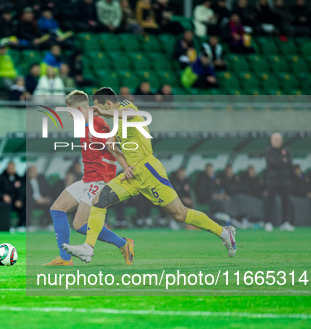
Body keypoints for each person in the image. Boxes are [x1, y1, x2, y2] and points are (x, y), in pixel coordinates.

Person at [63, 87, 237, 263]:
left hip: (149, 170)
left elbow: (129, 113)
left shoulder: (126, 106)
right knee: (99, 201)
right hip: (132, 175)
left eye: (99, 108)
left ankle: (224, 232)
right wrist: (117, 152)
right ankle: (88, 248)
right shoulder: (116, 124)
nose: (100, 114)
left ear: (108, 103)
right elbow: (113, 145)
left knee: (179, 214)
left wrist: (103, 113)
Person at [45, 90, 134, 266]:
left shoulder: (97, 124)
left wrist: (126, 170)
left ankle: (124, 243)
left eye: (70, 112)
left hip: (100, 180)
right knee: (57, 208)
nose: (69, 116)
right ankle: (65, 258)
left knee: (79, 225)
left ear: (79, 109)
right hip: (88, 179)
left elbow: (113, 147)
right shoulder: (84, 124)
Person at [264, 132, 294, 232]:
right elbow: (271, 163)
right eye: (274, 140)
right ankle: (268, 222)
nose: (276, 142)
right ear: (271, 141)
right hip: (272, 181)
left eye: (278, 140)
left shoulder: (286, 150)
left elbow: (289, 163)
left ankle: (285, 222)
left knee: (286, 202)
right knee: (270, 202)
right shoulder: (268, 150)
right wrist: (282, 160)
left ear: (281, 140)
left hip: (285, 181)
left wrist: (279, 161)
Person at [0, 161, 25, 228]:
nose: (11, 169)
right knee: (5, 206)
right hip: (5, 200)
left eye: (12, 168)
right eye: (9, 168)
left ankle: (21, 225)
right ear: (6, 168)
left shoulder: (18, 178)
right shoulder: (1, 177)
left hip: (15, 199)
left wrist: (19, 199)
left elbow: (21, 191)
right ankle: (7, 226)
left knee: (24, 204)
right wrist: (3, 195)